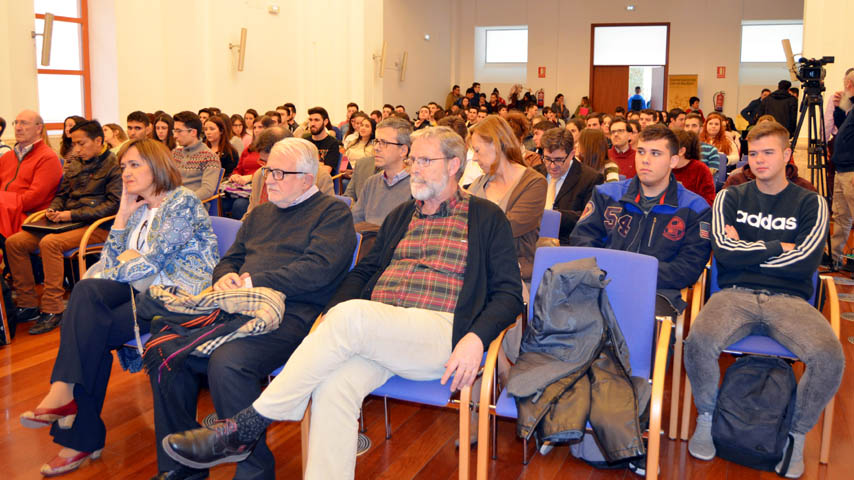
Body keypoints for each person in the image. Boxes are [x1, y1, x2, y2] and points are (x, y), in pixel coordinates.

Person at [159, 126, 523, 480]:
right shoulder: (402, 216)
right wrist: (330, 318)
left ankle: (246, 425)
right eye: (413, 160)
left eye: (425, 161)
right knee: (332, 387)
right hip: (379, 332)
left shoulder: (485, 217)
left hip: (441, 333)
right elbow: (362, 273)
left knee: (352, 316)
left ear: (454, 165)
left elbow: (508, 294)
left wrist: (476, 338)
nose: (415, 168)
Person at [151, 136, 355, 480]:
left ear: (307, 178)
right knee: (166, 351)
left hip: (293, 314)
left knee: (228, 362)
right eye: (267, 170)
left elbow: (319, 269)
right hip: (237, 306)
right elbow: (229, 259)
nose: (269, 179)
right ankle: (181, 467)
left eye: (279, 173)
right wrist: (227, 276)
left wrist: (252, 280)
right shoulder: (260, 213)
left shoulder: (332, 212)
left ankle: (255, 469)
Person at [18, 138, 218, 477]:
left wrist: (109, 273)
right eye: (123, 166)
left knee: (86, 319)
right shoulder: (139, 209)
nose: (125, 172)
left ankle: (76, 426)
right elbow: (111, 259)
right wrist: (124, 212)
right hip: (138, 293)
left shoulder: (182, 202)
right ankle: (68, 404)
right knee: (87, 305)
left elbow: (148, 262)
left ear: (157, 166)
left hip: (174, 298)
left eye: (135, 164)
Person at [684, 121, 843, 479]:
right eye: (753, 153)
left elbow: (806, 260)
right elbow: (723, 253)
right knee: (698, 342)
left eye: (767, 152)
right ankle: (707, 417)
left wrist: (747, 248)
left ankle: (795, 435)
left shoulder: (810, 202)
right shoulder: (730, 195)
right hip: (735, 294)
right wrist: (778, 247)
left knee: (830, 358)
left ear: (787, 155)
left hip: (791, 299)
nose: (758, 160)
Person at [571, 123, 712, 316]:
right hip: (600, 284)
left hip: (656, 292)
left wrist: (633, 273)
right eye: (641, 152)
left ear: (673, 161)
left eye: (655, 154)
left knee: (636, 319)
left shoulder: (695, 208)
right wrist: (609, 273)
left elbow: (687, 268)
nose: (645, 160)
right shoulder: (607, 194)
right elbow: (582, 241)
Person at [7, 120, 121, 334]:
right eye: (74, 144)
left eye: (81, 144)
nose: (76, 149)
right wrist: (53, 210)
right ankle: (28, 303)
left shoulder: (114, 165)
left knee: (50, 243)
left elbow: (113, 205)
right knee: (15, 242)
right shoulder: (75, 162)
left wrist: (72, 214)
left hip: (98, 227)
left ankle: (52, 309)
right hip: (66, 222)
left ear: (99, 141)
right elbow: (61, 194)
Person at [468, 116, 546, 282]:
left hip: (513, 274)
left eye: (477, 150)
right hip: (475, 269)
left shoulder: (534, 183)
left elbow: (506, 229)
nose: (474, 158)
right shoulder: (479, 183)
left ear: (496, 145)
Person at [242, 127, 335, 219]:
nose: (269, 173)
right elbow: (251, 215)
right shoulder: (260, 174)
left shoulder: (320, 177)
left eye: (274, 164)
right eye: (264, 162)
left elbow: (326, 220)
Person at [0, 110, 63, 242]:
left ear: (39, 128)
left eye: (24, 123)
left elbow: (32, 200)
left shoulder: (48, 158)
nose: (18, 127)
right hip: (5, 211)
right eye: (16, 123)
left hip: (30, 216)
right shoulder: (7, 157)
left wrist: (4, 200)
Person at [541, 127, 603, 245]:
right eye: (547, 159)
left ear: (572, 154)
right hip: (531, 243)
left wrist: (552, 217)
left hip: (566, 244)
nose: (552, 166)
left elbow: (588, 220)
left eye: (559, 160)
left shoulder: (590, 179)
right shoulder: (536, 174)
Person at [351, 117, 412, 229]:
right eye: (377, 141)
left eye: (383, 143)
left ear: (403, 150)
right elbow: (354, 221)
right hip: (367, 242)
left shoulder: (416, 187)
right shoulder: (371, 182)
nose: (376, 148)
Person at [829, 68, 854, 270]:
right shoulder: (851, 109)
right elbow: (844, 129)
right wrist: (839, 108)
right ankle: (835, 257)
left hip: (852, 169)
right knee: (841, 216)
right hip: (842, 168)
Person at [171, 111, 222, 201]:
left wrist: (182, 201)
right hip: (170, 202)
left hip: (193, 207)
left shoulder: (209, 157)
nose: (175, 135)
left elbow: (207, 190)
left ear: (193, 132)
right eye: (174, 131)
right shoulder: (175, 153)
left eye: (179, 131)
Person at [673, 130, 716, 206]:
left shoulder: (701, 170)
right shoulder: (663, 167)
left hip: (691, 214)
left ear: (681, 151)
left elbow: (709, 202)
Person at [306, 107, 341, 176]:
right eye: (310, 120)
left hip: (323, 183)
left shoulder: (332, 143)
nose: (312, 124)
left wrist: (308, 167)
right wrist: (320, 165)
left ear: (325, 122)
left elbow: (326, 171)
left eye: (316, 120)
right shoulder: (305, 142)